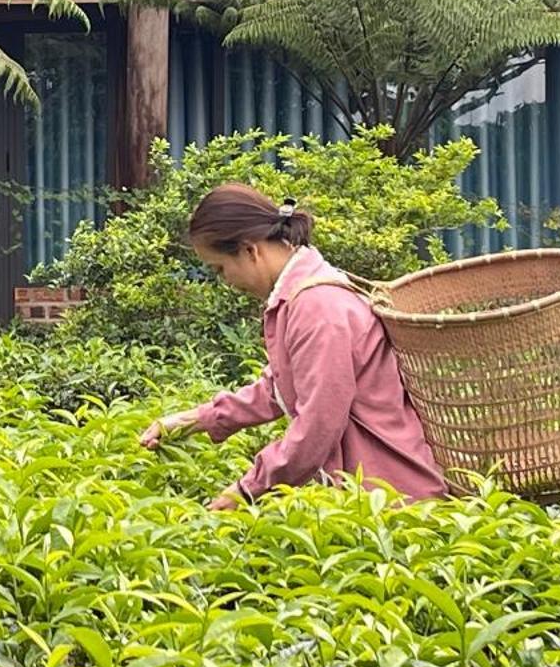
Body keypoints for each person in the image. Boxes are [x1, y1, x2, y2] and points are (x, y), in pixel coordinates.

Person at [140, 183, 445, 509]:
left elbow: (317, 428)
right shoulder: (303, 294)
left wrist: (246, 489)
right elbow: (280, 388)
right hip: (370, 496)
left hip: (393, 500)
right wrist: (190, 421)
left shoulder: (318, 306)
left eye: (220, 268)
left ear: (249, 250)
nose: (226, 281)